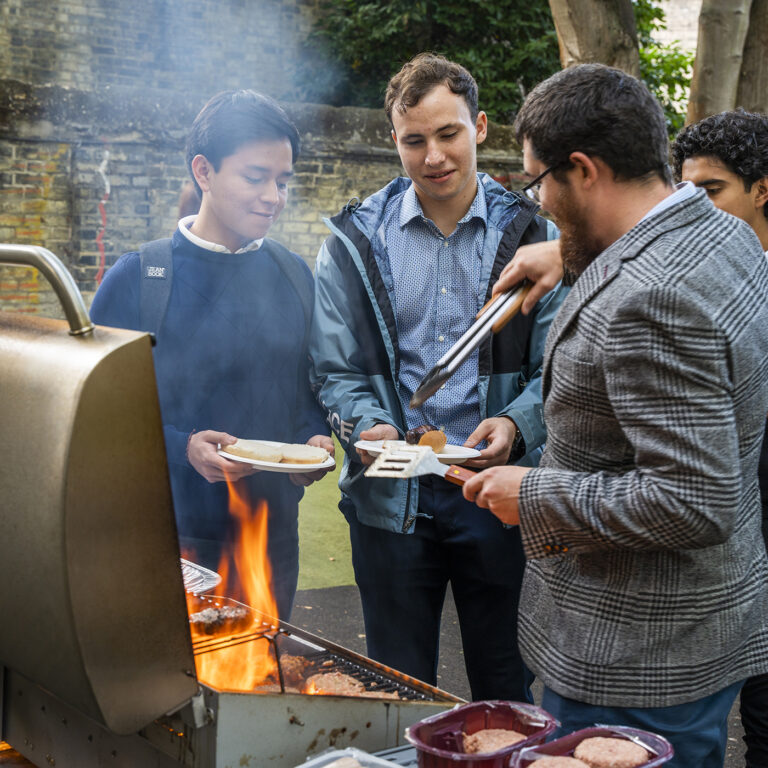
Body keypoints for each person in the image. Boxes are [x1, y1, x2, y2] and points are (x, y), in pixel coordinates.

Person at [463, 64, 768, 768]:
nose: (540, 202)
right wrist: (567, 258)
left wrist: (530, 492)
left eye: (540, 182)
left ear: (584, 169)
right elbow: (648, 255)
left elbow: (693, 500)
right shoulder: (721, 231)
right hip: (702, 629)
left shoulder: (649, 303)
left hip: (633, 663)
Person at [308, 53, 567, 702]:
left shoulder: (535, 233)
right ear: (392, 140)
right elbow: (335, 367)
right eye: (413, 140)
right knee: (397, 691)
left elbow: (562, 367)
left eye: (448, 134)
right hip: (391, 500)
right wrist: (369, 424)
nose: (433, 157)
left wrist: (516, 422)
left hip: (496, 488)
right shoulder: (352, 241)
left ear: (478, 127)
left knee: (504, 688)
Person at [90, 90, 333, 620]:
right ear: (203, 171)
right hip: (171, 539)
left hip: (273, 541)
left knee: (264, 689)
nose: (273, 195)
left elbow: (307, 388)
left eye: (283, 181)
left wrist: (313, 435)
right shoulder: (139, 278)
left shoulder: (295, 276)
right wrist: (183, 447)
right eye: (255, 177)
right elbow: (96, 419)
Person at [671, 108, 768, 768]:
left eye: (711, 191)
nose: (695, 210)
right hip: (723, 546)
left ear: (763, 188)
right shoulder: (692, 282)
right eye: (686, 194)